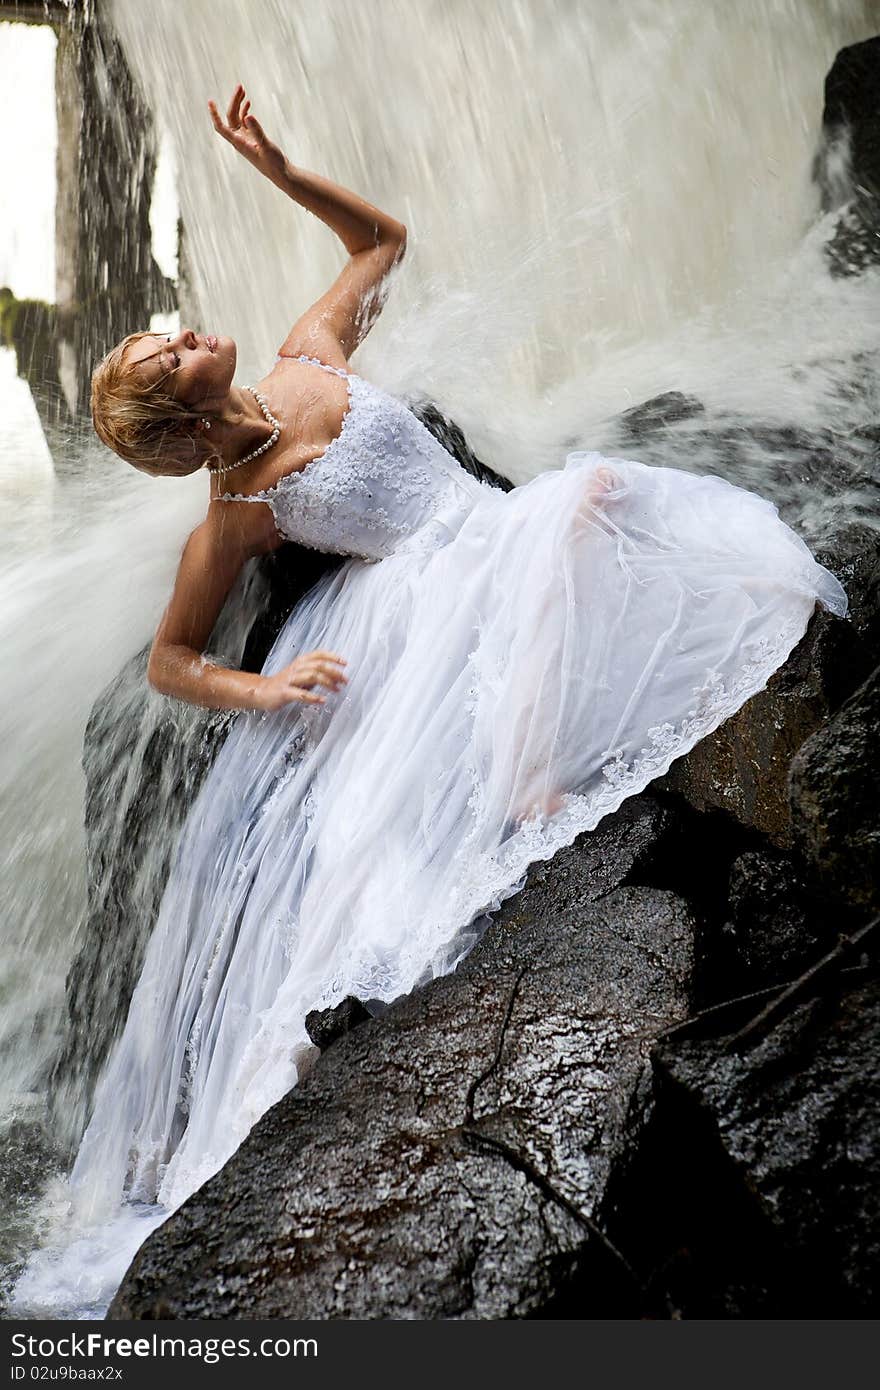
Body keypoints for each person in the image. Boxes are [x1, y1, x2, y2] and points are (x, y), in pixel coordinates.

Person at [81, 86, 846, 1228]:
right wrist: (269, 685)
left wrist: (278, 166)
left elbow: (382, 242)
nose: (191, 331)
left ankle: (537, 762)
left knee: (593, 503)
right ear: (181, 424)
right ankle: (530, 782)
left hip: (481, 532)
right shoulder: (235, 507)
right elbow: (170, 660)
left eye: (175, 329)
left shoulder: (306, 354)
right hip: (418, 599)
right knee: (577, 503)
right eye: (171, 353)